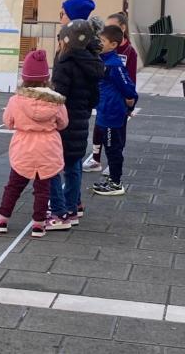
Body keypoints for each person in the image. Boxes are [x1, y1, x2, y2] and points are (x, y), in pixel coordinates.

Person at [0, 50, 68, 238]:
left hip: (23, 148)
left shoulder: (16, 100)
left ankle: (2, 220)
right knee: (43, 189)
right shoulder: (56, 101)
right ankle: (39, 225)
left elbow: (8, 122)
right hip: (48, 148)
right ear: (46, 78)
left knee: (14, 186)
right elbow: (63, 123)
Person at [48, 20, 105, 229]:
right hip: (81, 119)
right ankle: (73, 208)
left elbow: (59, 95)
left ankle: (58, 211)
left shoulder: (65, 62)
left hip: (63, 120)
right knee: (74, 165)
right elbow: (95, 97)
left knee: (53, 165)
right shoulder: (93, 61)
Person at [83, 12, 137, 174]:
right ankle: (97, 160)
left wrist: (131, 99)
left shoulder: (120, 57)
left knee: (114, 140)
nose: (100, 40)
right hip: (104, 105)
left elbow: (128, 82)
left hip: (114, 107)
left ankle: (114, 176)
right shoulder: (103, 55)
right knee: (101, 132)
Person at [93, 25, 138, 196]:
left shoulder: (114, 64)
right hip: (105, 111)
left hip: (113, 113)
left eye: (102, 41)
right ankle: (112, 179)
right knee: (108, 145)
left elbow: (128, 87)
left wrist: (130, 104)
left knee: (113, 148)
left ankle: (116, 183)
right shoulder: (102, 60)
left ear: (113, 44)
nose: (99, 43)